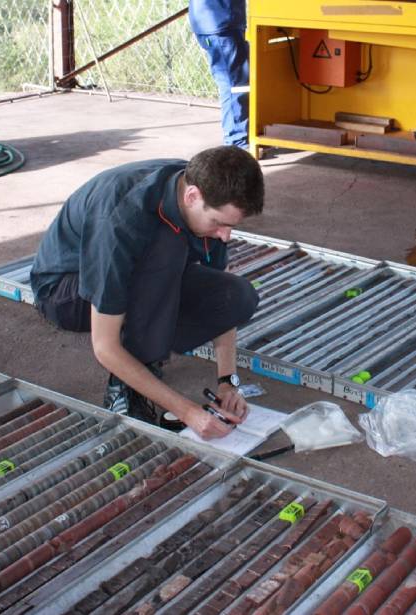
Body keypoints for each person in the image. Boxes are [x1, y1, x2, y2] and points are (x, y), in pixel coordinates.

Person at [30, 146, 264, 440]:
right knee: (167, 246)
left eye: (231, 226)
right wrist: (186, 410)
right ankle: (124, 389)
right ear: (192, 197)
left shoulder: (205, 189)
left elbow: (220, 295)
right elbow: (104, 346)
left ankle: (149, 343)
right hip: (64, 292)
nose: (225, 235)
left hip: (137, 277)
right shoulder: (122, 216)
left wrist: (228, 381)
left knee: (236, 295)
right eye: (219, 223)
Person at [189, 0, 249, 148]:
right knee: (234, 85)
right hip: (221, 24)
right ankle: (236, 142)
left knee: (233, 83)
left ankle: (239, 137)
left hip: (213, 22)